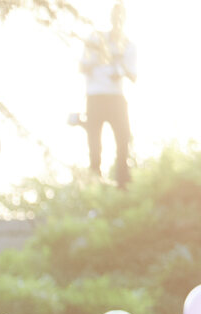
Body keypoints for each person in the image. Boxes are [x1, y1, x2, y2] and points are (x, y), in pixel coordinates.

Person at [79, 3, 137, 188]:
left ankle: (123, 182)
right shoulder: (95, 39)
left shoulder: (128, 45)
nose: (117, 19)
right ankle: (95, 180)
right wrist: (100, 58)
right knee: (95, 142)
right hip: (95, 96)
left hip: (116, 97)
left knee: (123, 138)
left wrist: (120, 67)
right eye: (115, 15)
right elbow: (82, 66)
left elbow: (134, 76)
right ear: (110, 17)